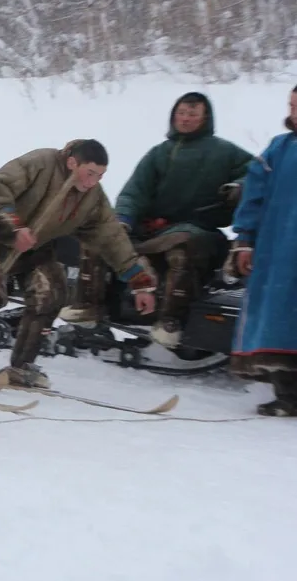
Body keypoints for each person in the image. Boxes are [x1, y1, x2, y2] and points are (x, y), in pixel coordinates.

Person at [0, 139, 159, 388]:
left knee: (51, 293)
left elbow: (111, 237)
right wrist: (13, 228)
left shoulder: (91, 197)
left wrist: (138, 281)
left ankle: (21, 368)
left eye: (100, 176)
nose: (92, 182)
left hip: (34, 250)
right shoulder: (40, 164)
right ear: (72, 162)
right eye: (89, 173)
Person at [60, 92, 252, 347]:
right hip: (153, 228)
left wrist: (238, 187)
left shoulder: (225, 152)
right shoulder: (160, 154)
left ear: (205, 118)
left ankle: (171, 321)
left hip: (198, 231)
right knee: (99, 239)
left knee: (182, 253)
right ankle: (88, 305)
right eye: (181, 113)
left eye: (193, 114)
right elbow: (135, 191)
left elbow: (256, 175)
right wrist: (124, 218)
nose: (185, 119)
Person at [223, 84, 297, 416]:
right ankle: (288, 397)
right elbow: (253, 197)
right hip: (277, 251)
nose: (295, 112)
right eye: (293, 105)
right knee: (278, 319)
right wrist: (244, 242)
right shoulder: (278, 150)